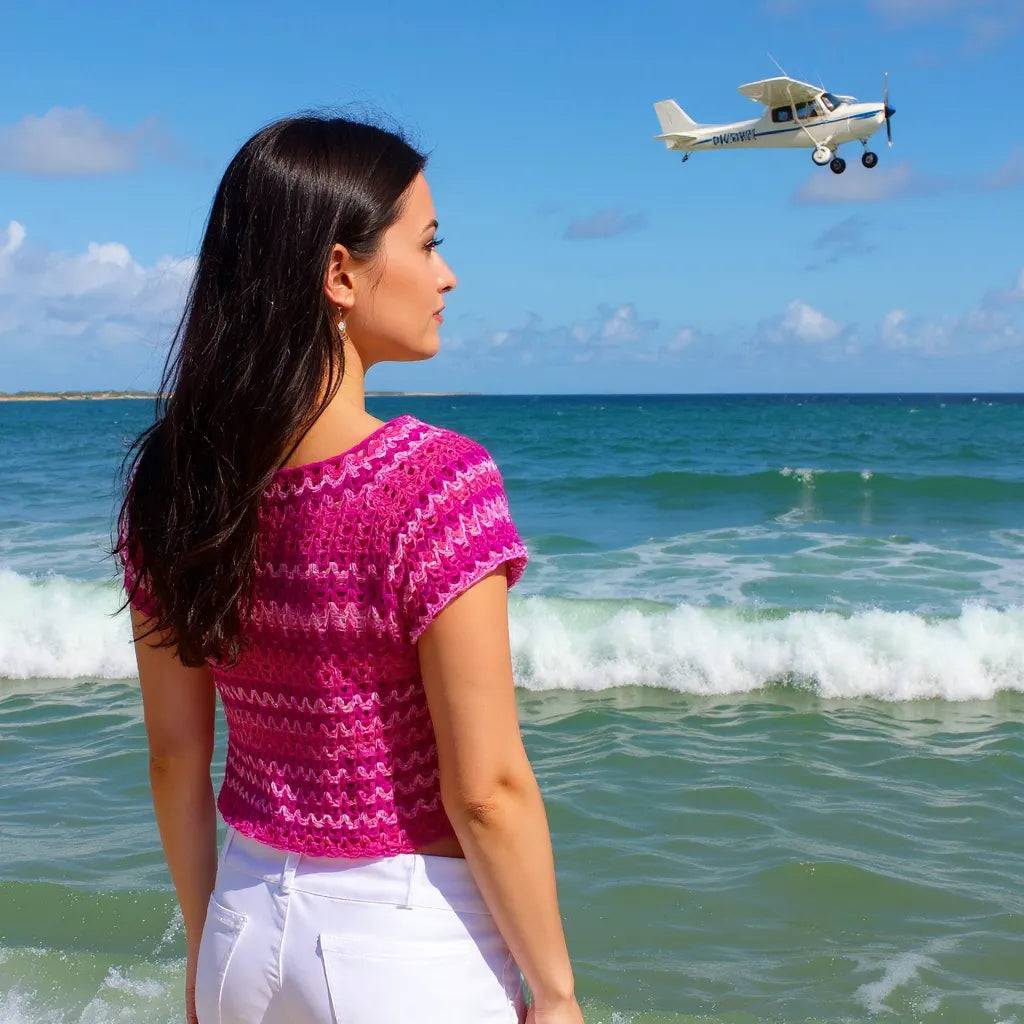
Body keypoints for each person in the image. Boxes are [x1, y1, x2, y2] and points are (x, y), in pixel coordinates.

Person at [114, 114, 584, 1024]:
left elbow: (175, 756)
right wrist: (558, 993)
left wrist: (205, 947)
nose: (448, 275)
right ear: (339, 273)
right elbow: (485, 789)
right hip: (405, 950)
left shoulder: (176, 481)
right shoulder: (434, 484)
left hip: (241, 934)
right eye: (429, 243)